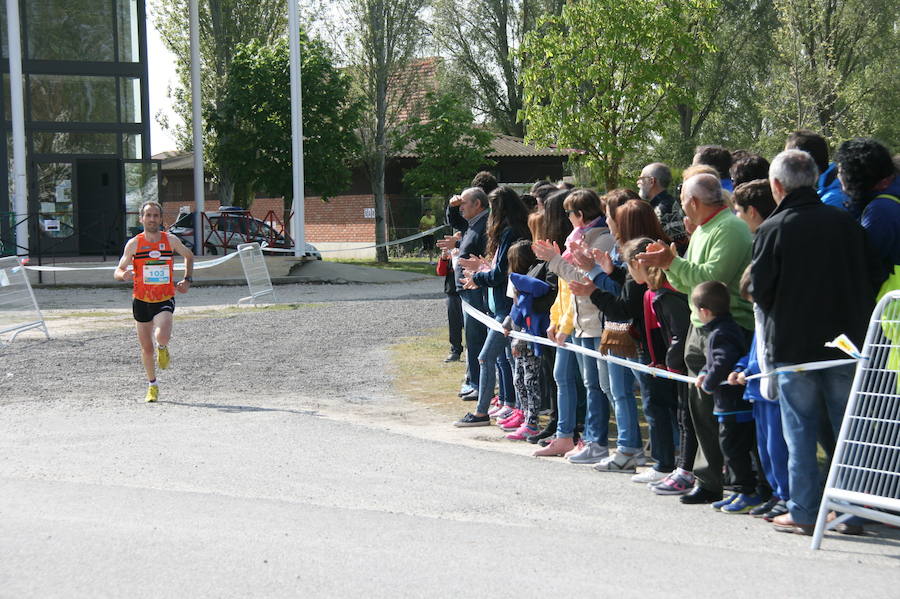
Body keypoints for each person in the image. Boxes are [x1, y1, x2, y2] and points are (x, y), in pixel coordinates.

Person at [751, 149, 884, 535]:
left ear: (777, 186)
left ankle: (806, 510)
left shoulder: (773, 229)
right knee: (848, 433)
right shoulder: (846, 222)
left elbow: (760, 291)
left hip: (796, 347)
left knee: (801, 434)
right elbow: (874, 274)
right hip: (844, 343)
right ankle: (851, 510)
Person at [638, 173, 754, 505]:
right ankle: (709, 479)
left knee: (721, 412)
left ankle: (733, 481)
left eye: (684, 200)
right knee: (700, 411)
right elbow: (693, 282)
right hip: (699, 327)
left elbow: (711, 283)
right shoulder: (706, 228)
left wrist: (671, 262)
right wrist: (672, 264)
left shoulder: (729, 229)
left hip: (725, 330)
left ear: (693, 202)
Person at [532, 188, 614, 460]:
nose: (566, 218)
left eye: (569, 213)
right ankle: (574, 436)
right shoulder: (575, 239)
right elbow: (564, 290)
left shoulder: (600, 240)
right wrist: (558, 320)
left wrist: (555, 261)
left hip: (590, 322)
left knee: (598, 387)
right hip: (574, 320)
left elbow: (580, 281)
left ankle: (592, 439)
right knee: (579, 382)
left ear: (579, 214)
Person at [454, 186, 530, 427]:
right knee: (504, 359)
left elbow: (500, 274)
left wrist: (478, 277)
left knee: (487, 357)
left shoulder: (510, 232)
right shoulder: (505, 233)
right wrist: (482, 268)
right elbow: (496, 269)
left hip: (507, 307)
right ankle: (510, 403)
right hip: (498, 305)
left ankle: (482, 412)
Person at [692, 280, 763, 514]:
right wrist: (705, 373)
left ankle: (746, 492)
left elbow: (724, 360)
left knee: (734, 449)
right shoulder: (724, 328)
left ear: (705, 311)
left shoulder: (721, 333)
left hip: (734, 405)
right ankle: (741, 491)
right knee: (731, 449)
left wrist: (710, 383)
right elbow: (714, 362)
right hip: (728, 405)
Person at [114, 200, 194, 402]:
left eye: (155, 215)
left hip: (164, 297)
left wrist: (187, 279)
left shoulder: (170, 240)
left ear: (160, 218)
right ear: (141, 219)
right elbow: (118, 270)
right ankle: (152, 385)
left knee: (163, 335)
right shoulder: (134, 244)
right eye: (148, 215)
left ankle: (163, 347)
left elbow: (189, 256)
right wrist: (123, 275)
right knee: (146, 348)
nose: (152, 219)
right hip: (141, 300)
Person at [729, 265, 790, 521]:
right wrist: (740, 368)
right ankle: (776, 493)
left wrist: (749, 370)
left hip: (773, 395)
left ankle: (786, 495)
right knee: (765, 449)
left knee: (778, 448)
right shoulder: (760, 319)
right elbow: (753, 353)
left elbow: (768, 357)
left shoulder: (777, 319)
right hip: (757, 394)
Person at [501, 240, 557, 440]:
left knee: (530, 379)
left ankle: (532, 420)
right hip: (519, 336)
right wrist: (510, 323)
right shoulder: (522, 280)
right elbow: (515, 309)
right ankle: (522, 413)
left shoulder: (529, 282)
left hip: (530, 338)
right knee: (518, 378)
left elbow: (526, 309)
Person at [440, 186, 490, 403]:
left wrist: (458, 244)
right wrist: (452, 208)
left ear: (477, 204)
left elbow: (478, 248)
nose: (461, 208)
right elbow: (457, 225)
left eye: (464, 204)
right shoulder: (472, 224)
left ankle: (478, 383)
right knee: (471, 337)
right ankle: (473, 380)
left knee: (476, 337)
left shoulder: (484, 225)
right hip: (465, 289)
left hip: (476, 289)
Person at [835, 137, 900, 298]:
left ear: (857, 176)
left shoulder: (880, 210)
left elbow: (861, 261)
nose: (838, 176)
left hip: (891, 313)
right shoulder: (890, 197)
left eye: (841, 171)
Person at [785, 130, 850, 210]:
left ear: (803, 163)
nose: (785, 167)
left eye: (788, 161)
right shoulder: (823, 188)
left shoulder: (832, 201)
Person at [637, 162, 688, 252]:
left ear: (652, 181)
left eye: (641, 179)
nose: (638, 183)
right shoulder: (663, 204)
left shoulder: (665, 209)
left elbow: (680, 248)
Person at [436, 245, 463, 363]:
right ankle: (455, 350)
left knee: (469, 324)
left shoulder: (466, 251)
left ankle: (472, 349)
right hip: (452, 293)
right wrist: (443, 258)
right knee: (454, 323)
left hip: (467, 292)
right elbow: (440, 272)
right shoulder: (450, 255)